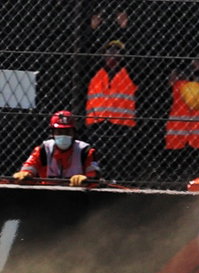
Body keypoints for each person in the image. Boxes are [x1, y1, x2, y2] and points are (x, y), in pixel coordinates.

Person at [85, 39, 137, 173]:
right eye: (109, 51)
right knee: (97, 157)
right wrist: (95, 31)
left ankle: (118, 178)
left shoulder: (130, 71)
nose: (113, 54)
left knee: (120, 159)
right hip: (97, 123)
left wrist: (125, 30)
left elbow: (138, 54)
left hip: (122, 124)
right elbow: (88, 52)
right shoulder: (94, 70)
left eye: (117, 51)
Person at [164, 59, 199, 182]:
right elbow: (169, 82)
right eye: (194, 62)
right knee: (176, 167)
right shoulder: (179, 85)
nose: (196, 65)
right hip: (178, 136)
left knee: (197, 169)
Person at [13, 111, 99, 185]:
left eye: (67, 132)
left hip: (77, 196)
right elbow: (28, 168)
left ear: (74, 133)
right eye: (59, 132)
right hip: (47, 195)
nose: (64, 135)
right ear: (53, 133)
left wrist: (85, 179)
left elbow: (94, 177)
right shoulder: (43, 149)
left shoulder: (85, 151)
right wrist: (25, 175)